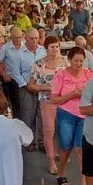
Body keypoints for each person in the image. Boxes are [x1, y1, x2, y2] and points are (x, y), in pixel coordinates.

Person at [50, 47, 93, 185]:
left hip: (84, 114)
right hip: (66, 114)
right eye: (76, 61)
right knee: (66, 147)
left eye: (81, 61)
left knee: (82, 149)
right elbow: (54, 100)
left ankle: (84, 181)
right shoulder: (60, 75)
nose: (79, 64)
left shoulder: (88, 74)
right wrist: (73, 94)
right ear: (69, 60)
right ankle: (61, 172)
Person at [28, 38, 65, 176]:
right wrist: (46, 87)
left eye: (57, 46)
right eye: (52, 46)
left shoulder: (65, 62)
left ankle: (62, 154)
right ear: (46, 48)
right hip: (47, 100)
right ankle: (51, 161)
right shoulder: (38, 64)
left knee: (64, 130)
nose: (54, 49)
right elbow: (30, 85)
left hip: (65, 101)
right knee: (49, 131)